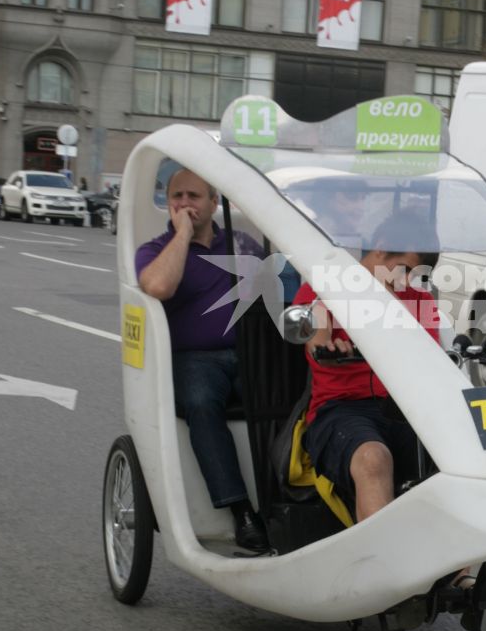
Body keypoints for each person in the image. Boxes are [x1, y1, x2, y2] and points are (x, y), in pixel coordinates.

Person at [135, 167, 271, 554]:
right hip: (191, 360)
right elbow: (159, 286)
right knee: (201, 402)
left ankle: (288, 498)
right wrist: (182, 234)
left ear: (215, 202)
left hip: (245, 354)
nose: (184, 204)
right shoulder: (155, 249)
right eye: (177, 196)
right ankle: (241, 511)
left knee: (290, 393)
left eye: (194, 197)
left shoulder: (242, 244)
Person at [293, 217, 443, 522]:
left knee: (462, 458)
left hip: (404, 410)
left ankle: (459, 569)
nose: (405, 283)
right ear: (380, 249)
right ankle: (383, 567)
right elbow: (315, 341)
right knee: (373, 459)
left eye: (415, 276)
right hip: (340, 410)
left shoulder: (419, 300)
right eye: (403, 270)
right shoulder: (326, 286)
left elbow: (432, 362)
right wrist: (329, 348)